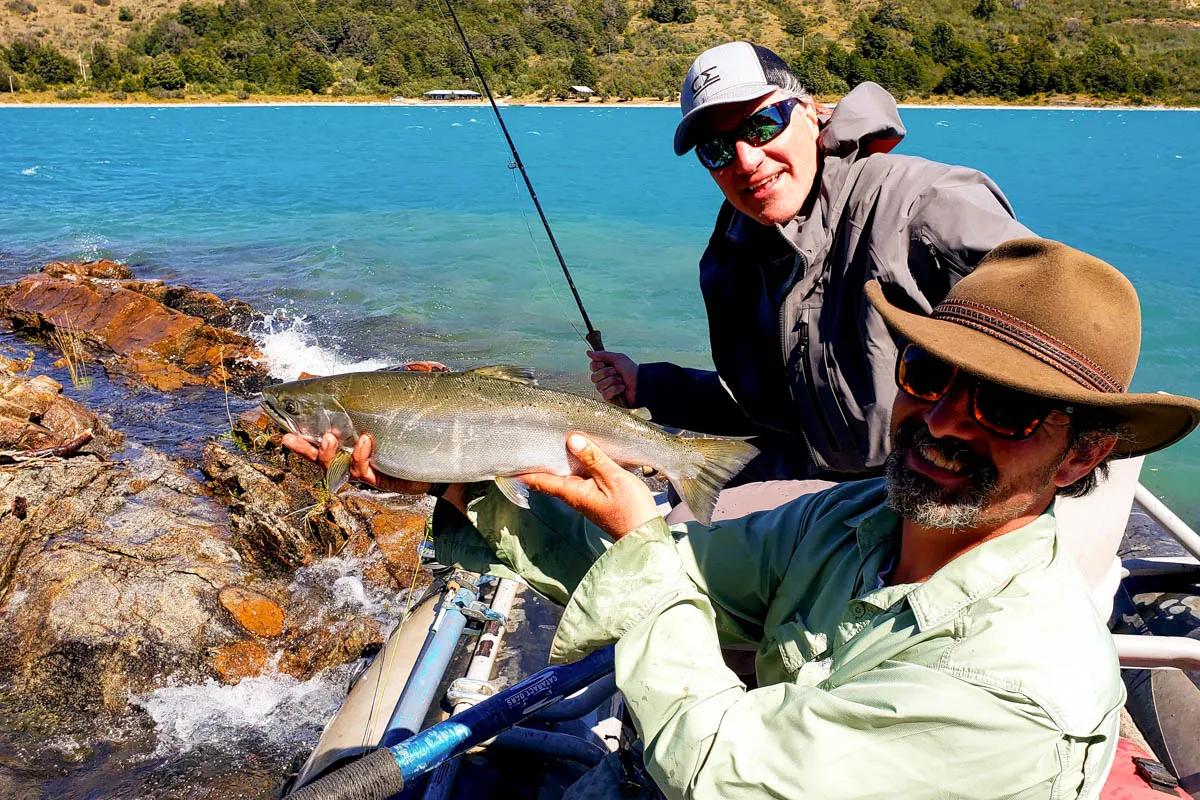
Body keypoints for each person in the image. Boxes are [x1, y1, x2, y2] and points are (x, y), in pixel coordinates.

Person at [287, 239, 1200, 798]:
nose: (947, 422)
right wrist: (457, 481)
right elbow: (669, 570)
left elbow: (718, 770)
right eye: (929, 377)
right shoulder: (858, 523)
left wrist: (644, 540)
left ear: (1082, 453)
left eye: (1005, 409)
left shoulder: (1014, 693)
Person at [588, 41, 1035, 484]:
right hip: (823, 481)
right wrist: (649, 385)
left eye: (762, 125)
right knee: (663, 524)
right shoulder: (736, 256)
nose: (745, 159)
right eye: (717, 149)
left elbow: (1070, 337)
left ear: (810, 112)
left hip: (933, 486)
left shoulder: (923, 205)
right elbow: (780, 414)